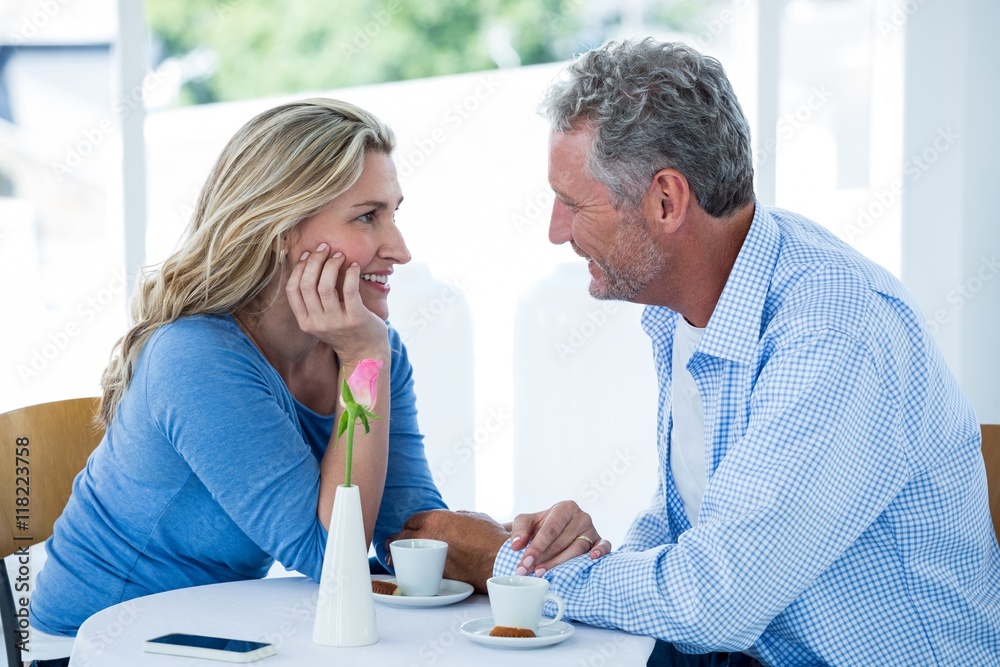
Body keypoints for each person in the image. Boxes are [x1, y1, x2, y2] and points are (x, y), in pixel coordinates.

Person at [392, 39, 1000, 666]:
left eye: (574, 204)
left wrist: (508, 567)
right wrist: (584, 556)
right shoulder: (688, 306)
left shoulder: (833, 332)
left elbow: (717, 601)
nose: (555, 230)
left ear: (666, 200)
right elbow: (702, 536)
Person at [30, 98, 448, 638]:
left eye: (395, 214)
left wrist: (521, 550)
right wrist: (362, 362)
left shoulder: (371, 349)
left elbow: (408, 535)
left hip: (218, 636)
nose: (400, 249)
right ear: (280, 232)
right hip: (94, 646)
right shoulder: (196, 358)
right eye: (367, 217)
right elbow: (332, 558)